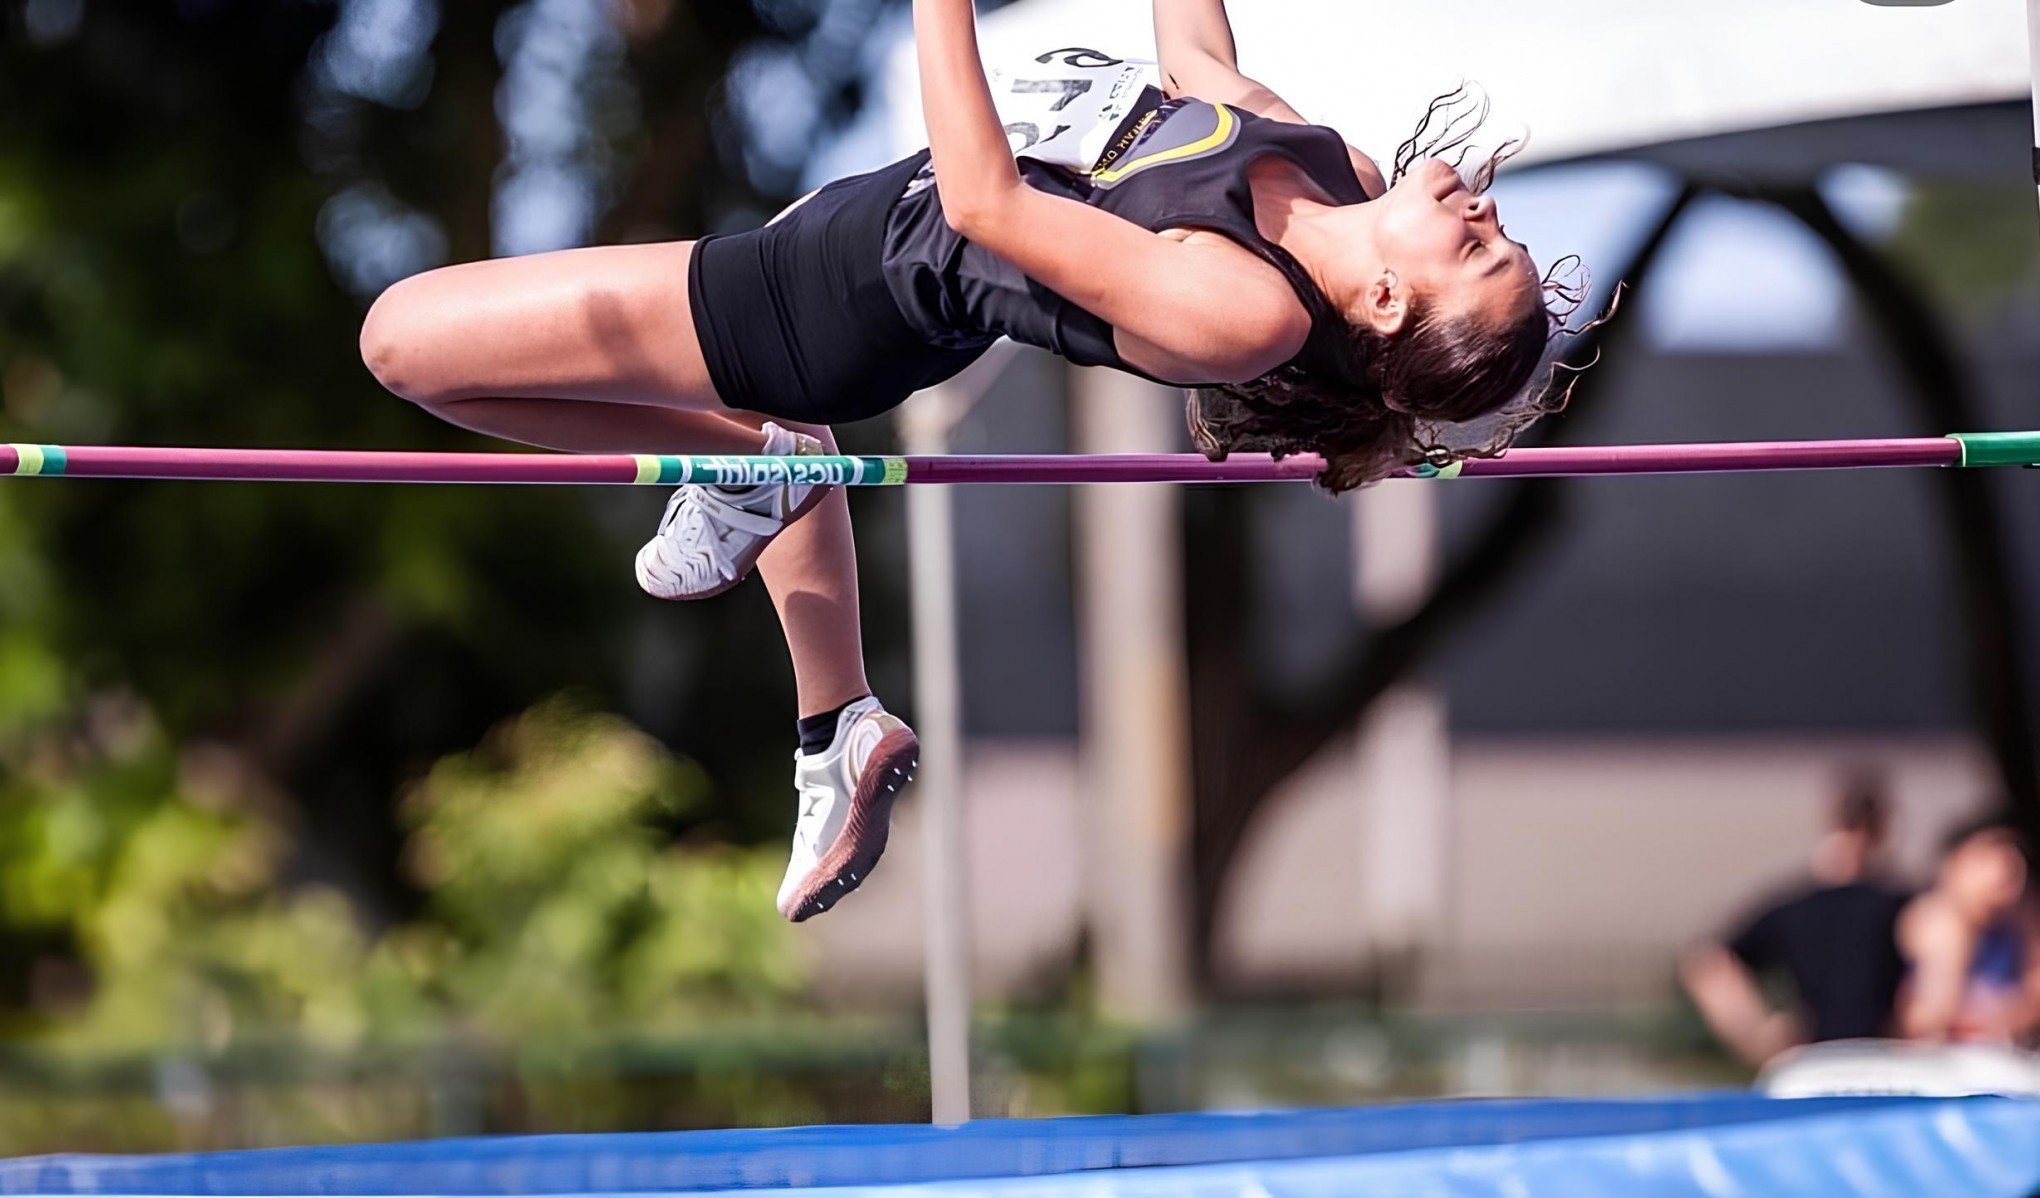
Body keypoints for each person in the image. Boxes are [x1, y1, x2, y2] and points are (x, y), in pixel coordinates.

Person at [357, 0, 1582, 921]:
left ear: (1379, 301)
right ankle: (832, 720)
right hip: (850, 230)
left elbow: (990, 205)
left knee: (407, 340)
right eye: (1503, 236)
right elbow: (1195, 68)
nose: (1488, 218)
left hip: (831, 303)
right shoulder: (1334, 169)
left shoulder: (1243, 311)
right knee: (689, 427)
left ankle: (750, 466)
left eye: (1481, 257)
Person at [1681, 775, 1910, 1065]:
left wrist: (1757, 1036)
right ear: (1886, 828)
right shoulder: (1900, 903)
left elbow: (1706, 962)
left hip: (1812, 1064)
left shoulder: (1791, 906)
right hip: (1888, 1063)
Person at [1895, 816, 2040, 1045]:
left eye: (2013, 854)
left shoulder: (2021, 916)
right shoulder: (1939, 919)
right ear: (1954, 867)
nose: (2008, 865)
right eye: (1986, 857)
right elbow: (1935, 1015)